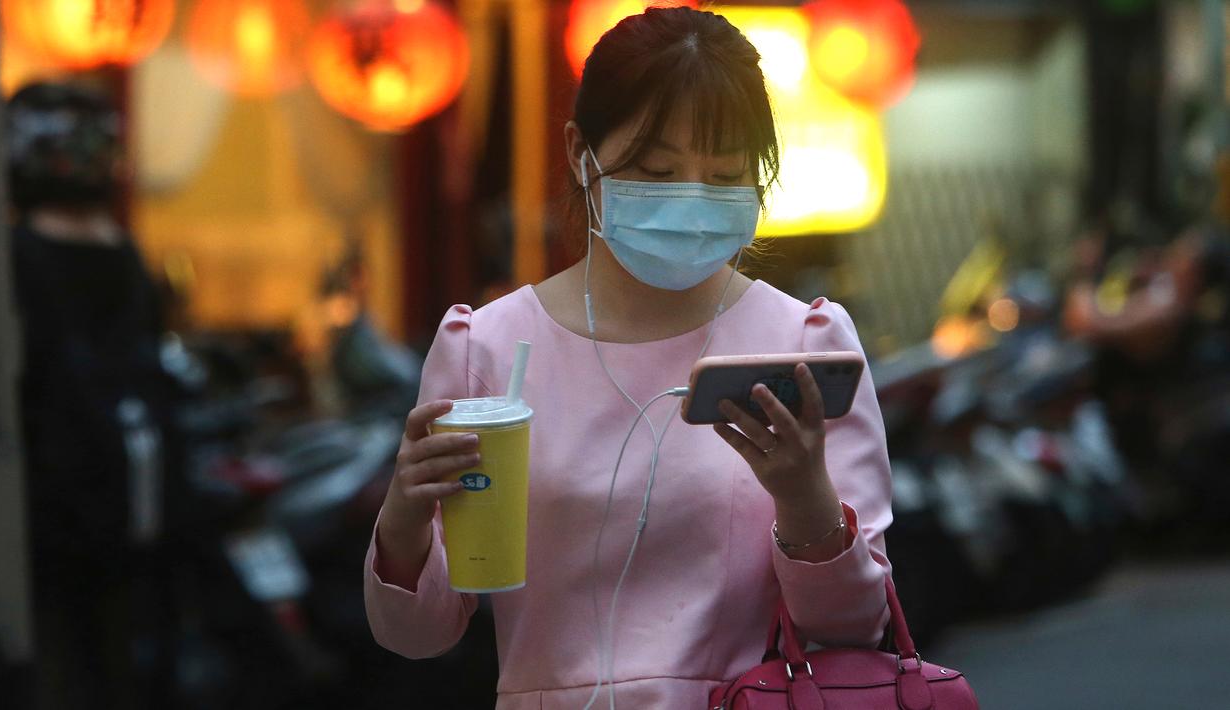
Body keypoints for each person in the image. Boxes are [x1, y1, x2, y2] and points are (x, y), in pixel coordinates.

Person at [363, 8, 893, 707]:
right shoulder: (486, 348)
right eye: (657, 170)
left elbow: (857, 625)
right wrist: (403, 522)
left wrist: (804, 500)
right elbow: (421, 634)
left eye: (723, 174)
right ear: (580, 152)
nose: (691, 200)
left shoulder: (803, 343)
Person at [7, 82, 176, 710]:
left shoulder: (21, 253)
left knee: (68, 657)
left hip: (57, 490)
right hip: (133, 485)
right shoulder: (121, 250)